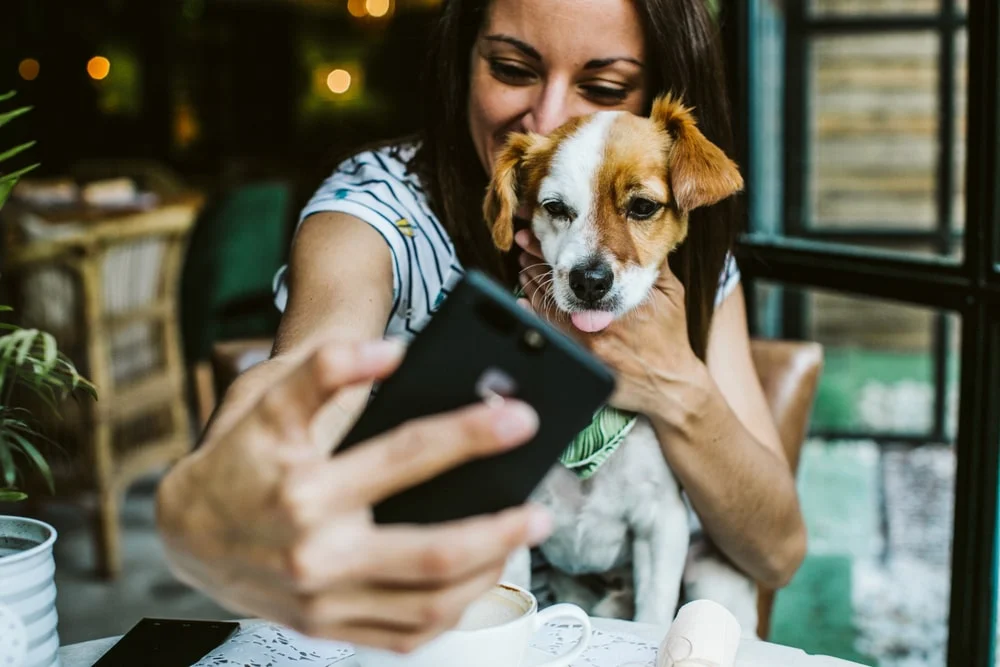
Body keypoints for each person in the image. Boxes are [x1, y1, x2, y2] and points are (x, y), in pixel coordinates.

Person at [156, 0, 807, 652]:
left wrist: (675, 384)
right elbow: (307, 367)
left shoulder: (679, 237)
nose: (549, 117)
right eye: (512, 67)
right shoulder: (379, 210)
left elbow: (775, 551)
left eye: (603, 88)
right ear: (463, 60)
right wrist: (226, 485)